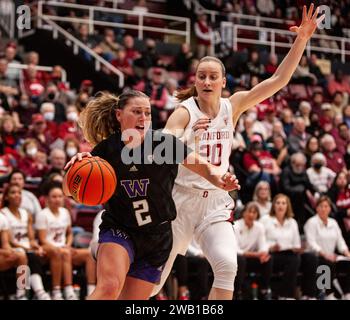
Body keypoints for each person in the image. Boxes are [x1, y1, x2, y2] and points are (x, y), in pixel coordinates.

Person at [153, 4, 323, 300]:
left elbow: (277, 81)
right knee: (152, 283)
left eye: (212, 77)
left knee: (228, 266)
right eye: (201, 77)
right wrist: (187, 137)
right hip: (180, 201)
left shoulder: (234, 106)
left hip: (216, 204)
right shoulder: (184, 112)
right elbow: (162, 147)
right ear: (195, 81)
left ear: (223, 81)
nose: (206, 82)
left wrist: (302, 40)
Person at [64, 90, 239, 300]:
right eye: (136, 112)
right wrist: (76, 170)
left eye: (147, 113)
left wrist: (220, 180)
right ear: (119, 115)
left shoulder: (164, 144)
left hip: (158, 237)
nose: (143, 118)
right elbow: (69, 191)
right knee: (109, 287)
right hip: (121, 229)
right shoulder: (106, 151)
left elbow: (205, 167)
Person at [36, 183, 96, 300]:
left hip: (64, 248)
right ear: (47, 199)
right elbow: (42, 240)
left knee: (89, 254)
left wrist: (68, 245)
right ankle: (61, 291)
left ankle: (91, 291)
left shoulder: (65, 212)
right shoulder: (42, 214)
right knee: (64, 253)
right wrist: (61, 248)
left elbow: (69, 233)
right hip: (49, 249)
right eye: (54, 196)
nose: (57, 199)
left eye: (60, 196)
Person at [0, 183, 51, 300]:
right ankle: (36, 291)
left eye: (19, 193)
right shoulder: (3, 214)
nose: (17, 195)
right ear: (6, 197)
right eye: (13, 193)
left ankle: (32, 292)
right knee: (28, 256)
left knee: (35, 255)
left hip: (26, 248)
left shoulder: (26, 214)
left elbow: (31, 239)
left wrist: (37, 247)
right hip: (16, 247)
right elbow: (9, 241)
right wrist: (27, 249)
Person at [304, 196, 350, 300]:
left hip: (332, 256)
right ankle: (326, 294)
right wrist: (325, 254)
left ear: (330, 208)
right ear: (317, 208)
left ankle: (347, 292)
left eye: (326, 206)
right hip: (316, 256)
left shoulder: (333, 223)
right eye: (321, 206)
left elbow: (340, 241)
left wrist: (346, 252)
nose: (324, 209)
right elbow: (311, 243)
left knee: (348, 262)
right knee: (326, 263)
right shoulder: (311, 222)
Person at [234, 202, 272, 300]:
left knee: (268, 259)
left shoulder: (259, 227)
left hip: (251, 258)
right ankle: (237, 292)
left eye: (254, 212)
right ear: (243, 213)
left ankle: (264, 290)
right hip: (237, 258)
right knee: (241, 259)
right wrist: (255, 254)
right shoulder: (235, 226)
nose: (251, 215)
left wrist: (263, 253)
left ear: (257, 215)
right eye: (249, 212)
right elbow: (235, 250)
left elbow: (263, 245)